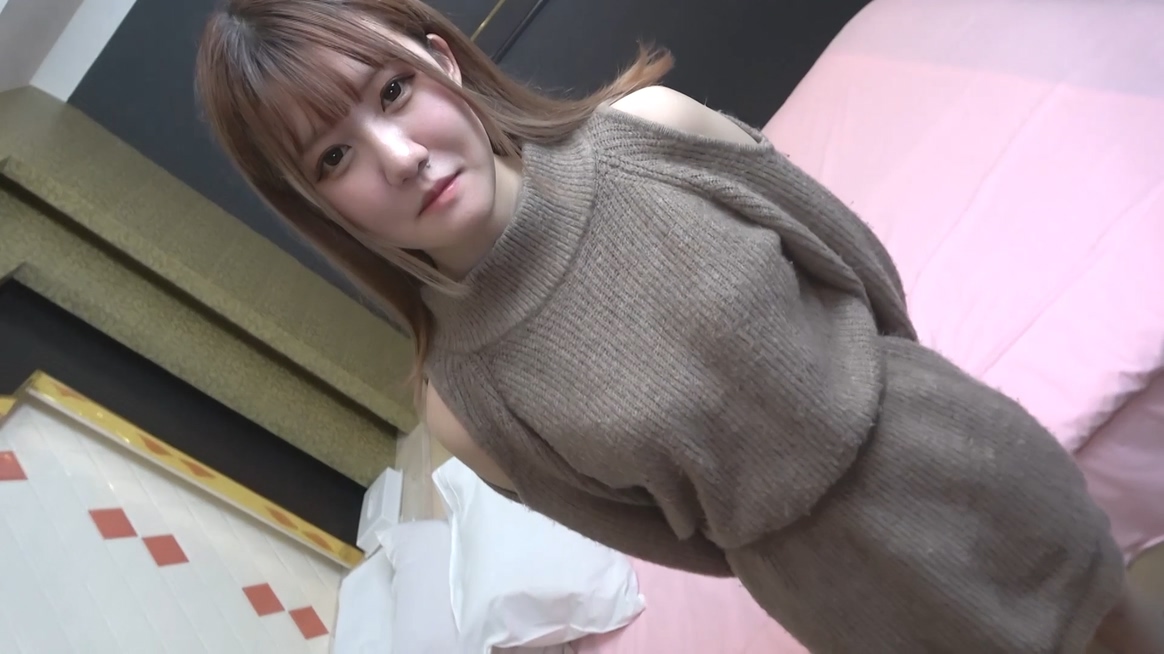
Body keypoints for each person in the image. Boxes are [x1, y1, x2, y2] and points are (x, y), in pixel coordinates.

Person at [194, 1, 1164, 651]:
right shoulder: (467, 406)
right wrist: (794, 526)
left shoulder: (653, 129)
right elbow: (672, 540)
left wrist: (893, 404)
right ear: (320, 206)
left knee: (1123, 624)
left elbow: (848, 257)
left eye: (393, 92)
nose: (400, 155)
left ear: (440, 61)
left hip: (962, 451)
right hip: (842, 596)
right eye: (334, 158)